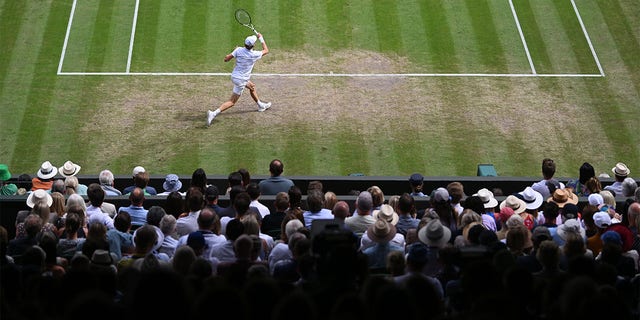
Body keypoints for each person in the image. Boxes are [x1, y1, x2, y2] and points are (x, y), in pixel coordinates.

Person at [206, 33, 271, 125]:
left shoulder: (238, 50)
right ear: (253, 45)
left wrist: (234, 51)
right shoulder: (254, 54)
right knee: (232, 102)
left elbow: (226, 59)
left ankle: (261, 105)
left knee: (252, 87)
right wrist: (261, 38)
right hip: (241, 80)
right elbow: (266, 50)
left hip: (235, 76)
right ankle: (213, 113)